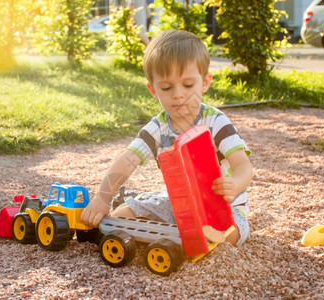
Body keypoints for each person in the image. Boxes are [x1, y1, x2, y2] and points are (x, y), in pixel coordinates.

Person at [81, 29, 253, 245]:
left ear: (205, 82)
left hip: (223, 207)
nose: (178, 94)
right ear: (154, 90)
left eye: (188, 85)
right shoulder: (157, 128)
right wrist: (101, 198)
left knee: (228, 235)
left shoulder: (215, 122)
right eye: (167, 87)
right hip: (177, 203)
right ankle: (175, 231)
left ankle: (196, 233)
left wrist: (235, 184)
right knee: (119, 217)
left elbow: (243, 166)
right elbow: (126, 162)